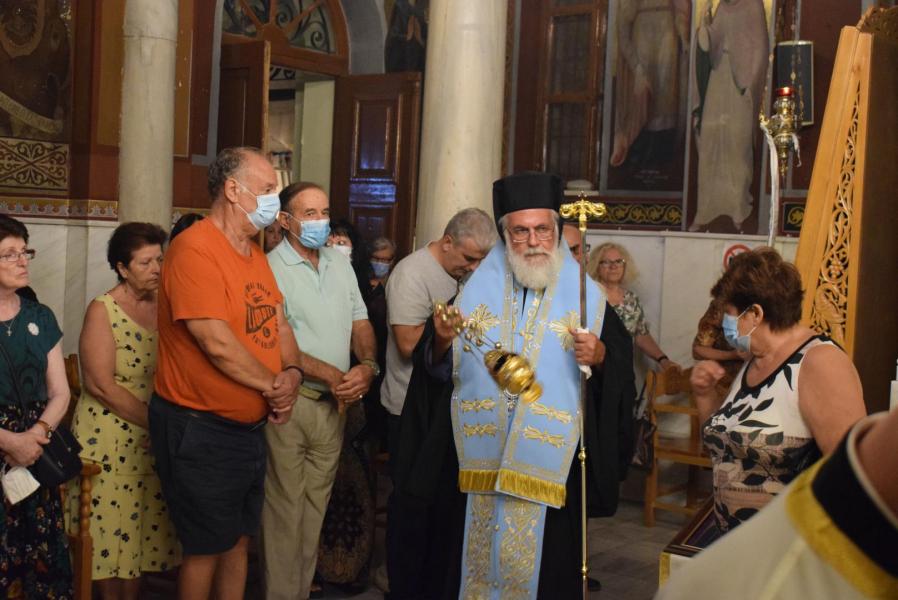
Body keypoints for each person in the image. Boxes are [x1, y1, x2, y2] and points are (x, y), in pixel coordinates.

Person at [397, 173, 636, 598]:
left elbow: (618, 374)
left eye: (542, 229)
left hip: (551, 470)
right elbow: (432, 373)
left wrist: (600, 357)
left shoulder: (589, 299)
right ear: (505, 234)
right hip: (476, 464)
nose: (532, 241)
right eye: (520, 231)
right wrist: (442, 342)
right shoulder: (471, 295)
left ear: (556, 231)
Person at [148, 146, 303, 600]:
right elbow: (215, 343)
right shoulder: (194, 249)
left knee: (238, 538)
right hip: (200, 427)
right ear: (234, 190)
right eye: (268, 189)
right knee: (205, 546)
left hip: (248, 427)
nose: (275, 199)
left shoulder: (254, 254)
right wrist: (273, 386)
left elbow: (279, 324)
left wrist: (292, 374)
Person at [691, 248, 866, 533]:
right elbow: (724, 450)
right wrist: (704, 394)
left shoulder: (819, 362)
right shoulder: (754, 360)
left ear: (755, 314)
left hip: (787, 542)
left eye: (729, 314)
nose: (724, 325)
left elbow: (849, 474)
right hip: (734, 540)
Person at [260, 184, 377, 600]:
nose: (320, 222)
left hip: (335, 407)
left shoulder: (339, 264)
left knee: (315, 511)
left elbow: (360, 322)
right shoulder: (268, 268)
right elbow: (274, 342)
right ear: (284, 220)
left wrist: (367, 366)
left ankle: (300, 592)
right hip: (293, 406)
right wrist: (330, 373)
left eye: (324, 212)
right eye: (309, 214)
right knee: (284, 513)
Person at [657, 407, 898, 600]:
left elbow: (839, 459)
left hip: (816, 556)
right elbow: (719, 439)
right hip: (742, 550)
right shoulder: (744, 372)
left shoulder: (814, 366)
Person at [69, 222, 180, 599]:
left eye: (159, 260)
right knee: (111, 533)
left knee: (141, 534)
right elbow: (100, 384)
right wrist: (156, 424)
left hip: (153, 436)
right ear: (122, 267)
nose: (156, 269)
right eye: (145, 262)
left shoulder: (166, 305)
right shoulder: (103, 310)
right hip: (109, 435)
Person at [0, 214, 73, 597]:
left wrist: (35, 435)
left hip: (35, 454)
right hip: (5, 447)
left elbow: (61, 392)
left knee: (40, 568)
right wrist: (9, 442)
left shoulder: (39, 316)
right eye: (9, 254)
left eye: (24, 251)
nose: (22, 261)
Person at [690, 0, 768, 231]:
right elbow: (712, 40)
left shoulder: (753, 5)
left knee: (738, 144)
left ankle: (738, 207)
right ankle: (705, 210)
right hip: (718, 78)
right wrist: (705, 26)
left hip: (741, 84)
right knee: (710, 141)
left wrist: (752, 85)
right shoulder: (722, 8)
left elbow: (760, 48)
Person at [587, 242, 680, 371]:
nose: (614, 266)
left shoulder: (631, 299)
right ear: (596, 266)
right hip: (594, 370)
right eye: (606, 262)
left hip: (622, 369)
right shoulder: (588, 296)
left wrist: (663, 359)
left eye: (618, 261)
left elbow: (641, 336)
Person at [692, 297, 747, 399]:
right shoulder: (720, 305)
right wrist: (732, 355)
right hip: (724, 383)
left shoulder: (769, 306)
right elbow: (699, 349)